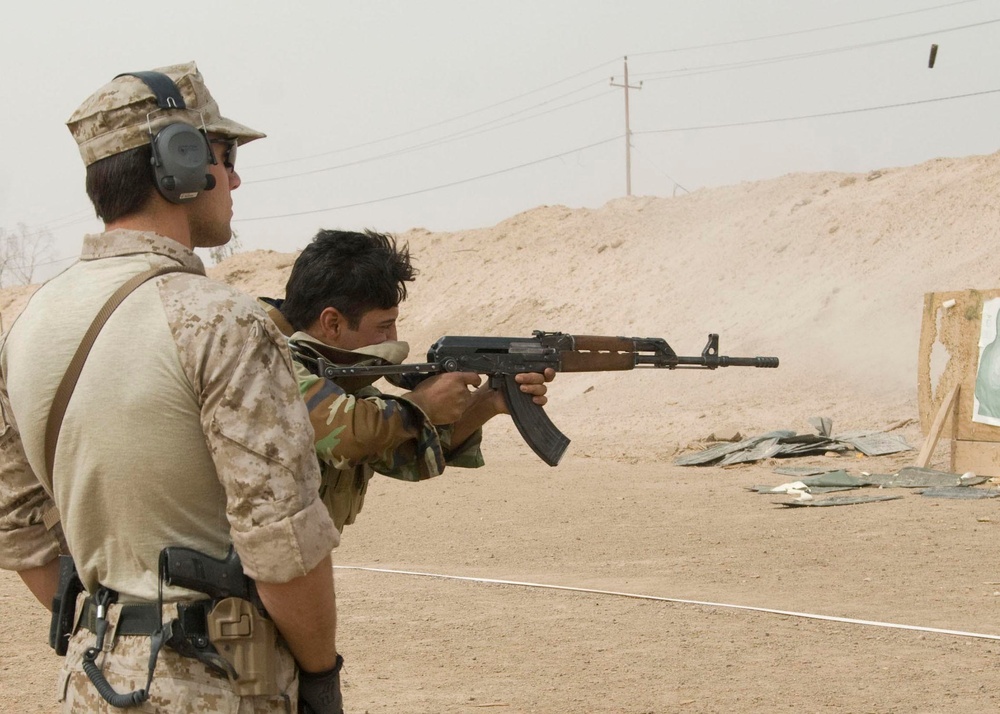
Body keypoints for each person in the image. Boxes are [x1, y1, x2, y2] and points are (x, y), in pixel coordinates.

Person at [0, 63, 344, 712]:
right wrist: (320, 677)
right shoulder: (223, 322)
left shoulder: (25, 327)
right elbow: (284, 553)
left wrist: (121, 625)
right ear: (179, 161)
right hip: (220, 683)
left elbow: (19, 534)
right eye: (224, 153)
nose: (235, 177)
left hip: (90, 679)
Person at [259, 229, 554, 533]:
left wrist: (490, 400)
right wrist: (422, 402)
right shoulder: (262, 355)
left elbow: (404, 451)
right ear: (332, 323)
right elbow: (350, 435)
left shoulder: (327, 373)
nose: (393, 339)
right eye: (384, 327)